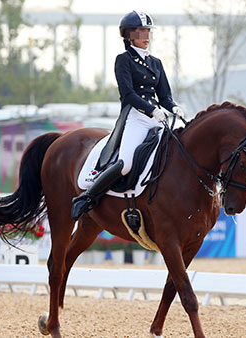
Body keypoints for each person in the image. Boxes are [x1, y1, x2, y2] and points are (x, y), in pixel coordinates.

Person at [71, 10, 185, 221]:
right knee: (126, 163)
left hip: (158, 119)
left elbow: (165, 95)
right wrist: (151, 110)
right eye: (141, 31)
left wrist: (174, 107)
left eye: (148, 31)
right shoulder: (123, 60)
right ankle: (87, 198)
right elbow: (128, 94)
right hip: (136, 117)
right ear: (129, 35)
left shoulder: (156, 62)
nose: (146, 36)